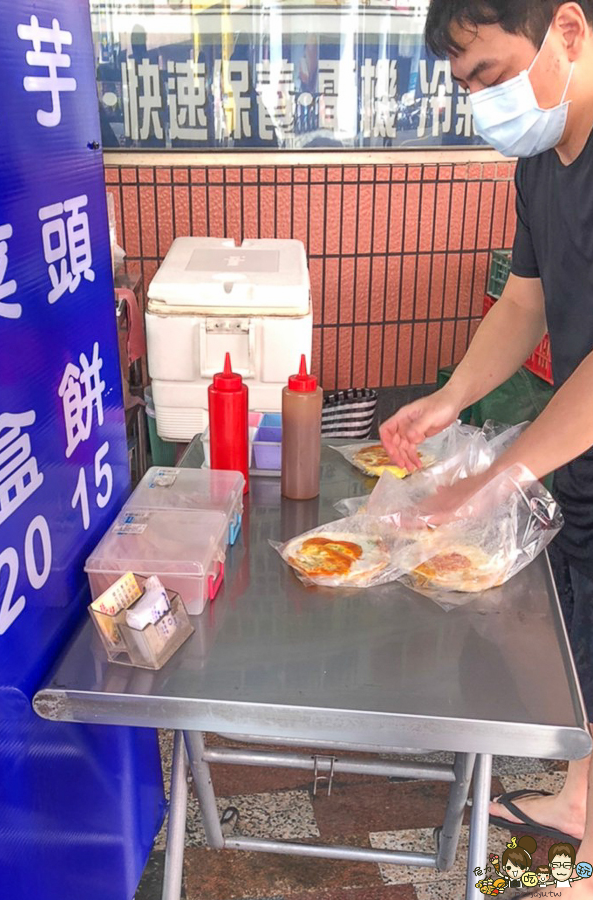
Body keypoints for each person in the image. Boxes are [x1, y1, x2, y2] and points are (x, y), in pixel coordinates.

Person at [380, 0, 593, 895]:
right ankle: (581, 804)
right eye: (464, 86)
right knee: (585, 631)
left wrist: (494, 478)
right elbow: (522, 304)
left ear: (567, 33)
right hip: (578, 444)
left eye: (492, 75)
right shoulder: (543, 164)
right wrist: (448, 400)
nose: (482, 105)